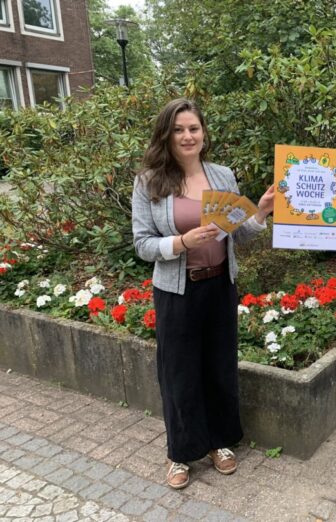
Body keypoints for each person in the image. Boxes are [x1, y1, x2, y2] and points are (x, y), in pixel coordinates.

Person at [131, 98, 274, 490]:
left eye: (193, 128)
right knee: (178, 373)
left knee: (219, 366)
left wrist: (260, 212)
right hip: (177, 292)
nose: (187, 136)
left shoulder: (222, 176)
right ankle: (180, 451)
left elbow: (239, 232)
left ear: (203, 133)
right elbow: (142, 244)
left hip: (219, 286)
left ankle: (219, 442)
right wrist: (180, 242)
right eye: (179, 130)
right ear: (167, 135)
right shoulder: (150, 182)